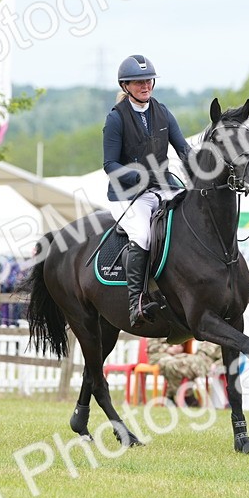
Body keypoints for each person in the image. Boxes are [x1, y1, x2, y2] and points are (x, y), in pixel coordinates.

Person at [102, 54, 192, 327]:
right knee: (142, 234)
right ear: (126, 86)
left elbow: (183, 149)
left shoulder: (163, 112)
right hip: (128, 194)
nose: (145, 86)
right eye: (139, 82)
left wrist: (202, 166)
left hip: (163, 187)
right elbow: (110, 165)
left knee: (196, 216)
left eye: (148, 80)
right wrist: (140, 175)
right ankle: (136, 302)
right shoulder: (116, 118)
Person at [146, 338, 220, 406]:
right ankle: (186, 396)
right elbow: (152, 347)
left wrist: (179, 347)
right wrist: (168, 349)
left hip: (184, 358)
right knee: (173, 365)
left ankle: (176, 396)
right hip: (160, 357)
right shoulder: (155, 330)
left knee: (180, 366)